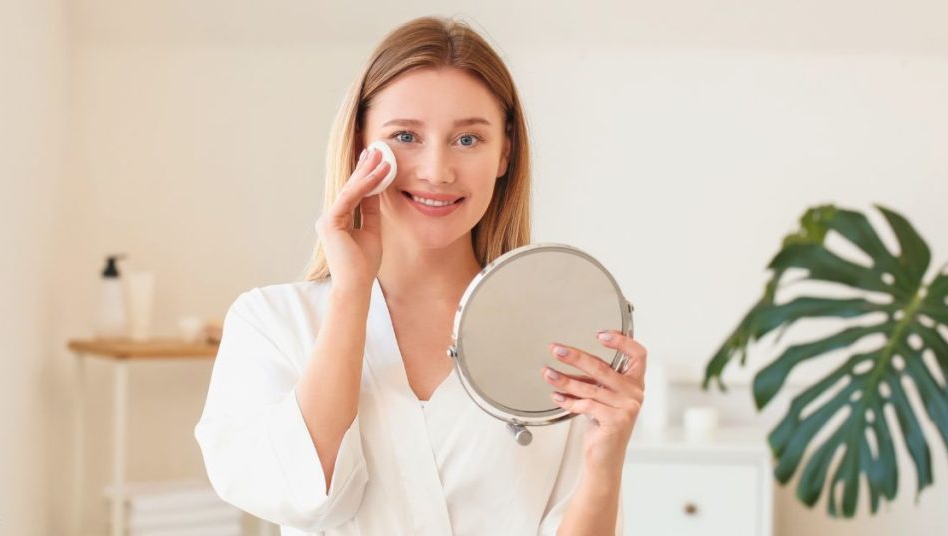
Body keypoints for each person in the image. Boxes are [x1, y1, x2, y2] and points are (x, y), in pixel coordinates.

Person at [194, 15, 648, 536]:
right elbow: (303, 497)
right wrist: (351, 291)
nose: (437, 170)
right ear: (360, 145)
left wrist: (605, 457)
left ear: (506, 153)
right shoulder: (271, 323)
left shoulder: (562, 341)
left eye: (468, 140)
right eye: (406, 135)